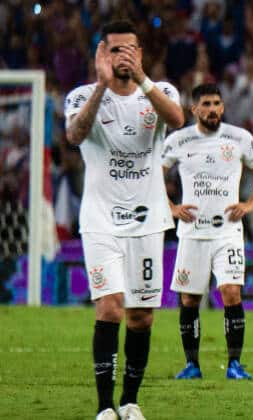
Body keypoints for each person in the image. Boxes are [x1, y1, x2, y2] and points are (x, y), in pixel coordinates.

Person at [64, 20, 184, 420]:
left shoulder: (160, 91)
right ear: (102, 54)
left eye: (130, 49)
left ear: (141, 53)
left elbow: (178, 119)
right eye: (115, 50)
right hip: (100, 222)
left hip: (149, 222)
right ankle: (104, 407)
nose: (123, 56)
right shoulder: (82, 96)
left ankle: (131, 401)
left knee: (141, 315)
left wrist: (143, 79)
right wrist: (101, 86)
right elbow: (75, 136)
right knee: (110, 308)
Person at [162, 83, 253, 381]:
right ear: (193, 109)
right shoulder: (178, 140)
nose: (212, 109)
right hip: (192, 232)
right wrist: (170, 207)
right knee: (189, 300)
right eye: (206, 104)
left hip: (227, 231)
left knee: (231, 293)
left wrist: (250, 204)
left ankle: (234, 364)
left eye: (216, 104)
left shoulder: (239, 138)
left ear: (223, 107)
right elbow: (153, 174)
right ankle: (192, 365)